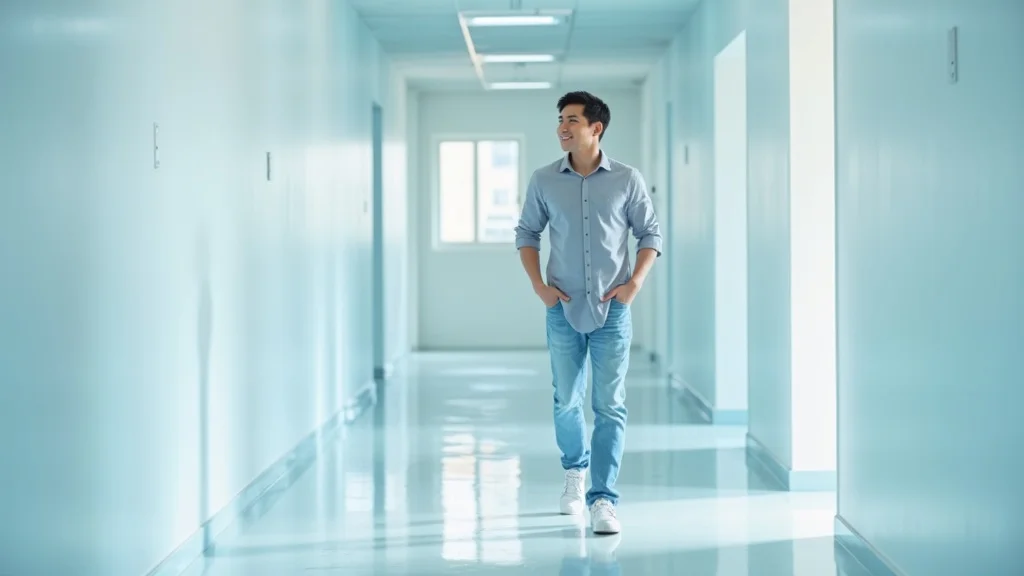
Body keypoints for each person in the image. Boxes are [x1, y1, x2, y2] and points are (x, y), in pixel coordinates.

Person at [513, 91, 662, 535]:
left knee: (610, 405)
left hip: (612, 309)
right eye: (561, 119)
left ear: (596, 129)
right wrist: (539, 286)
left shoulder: (626, 179)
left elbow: (649, 234)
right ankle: (574, 472)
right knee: (566, 401)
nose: (563, 126)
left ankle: (604, 500)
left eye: (572, 119)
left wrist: (633, 284)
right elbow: (526, 234)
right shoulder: (543, 180)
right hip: (562, 307)